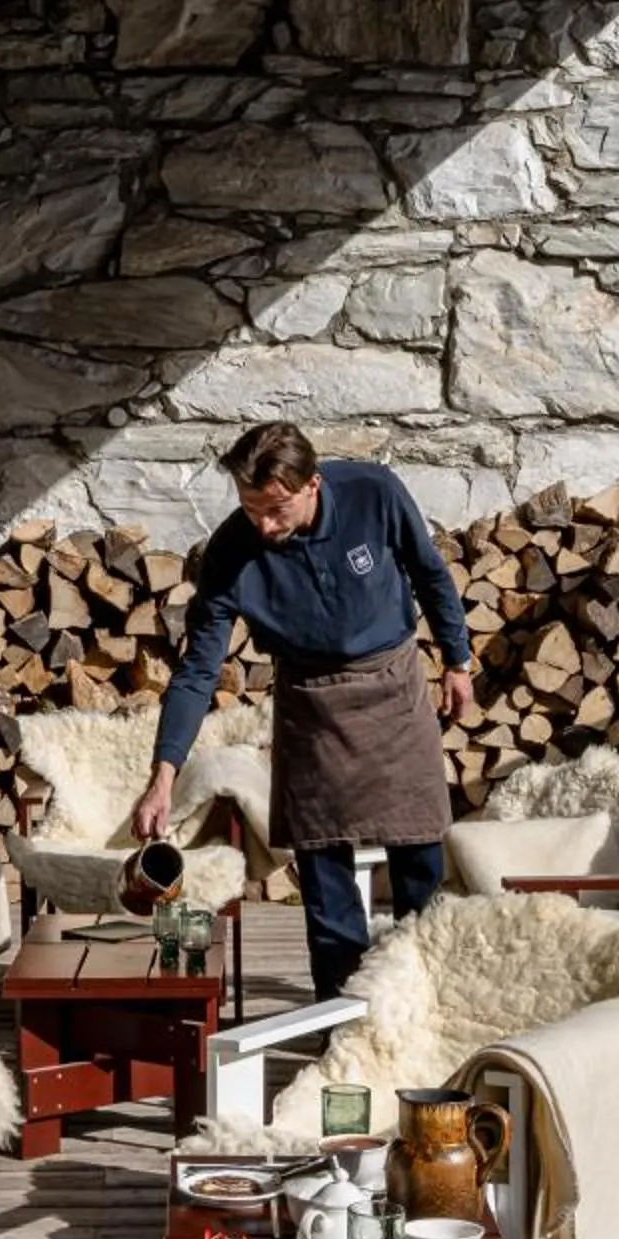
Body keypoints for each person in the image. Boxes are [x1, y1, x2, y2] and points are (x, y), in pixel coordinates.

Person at [131, 422, 477, 999]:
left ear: (312, 484)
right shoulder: (230, 553)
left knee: (420, 860)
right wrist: (162, 776)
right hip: (310, 708)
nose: (263, 525)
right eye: (250, 508)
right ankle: (340, 1018)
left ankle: (427, 1003)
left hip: (394, 687)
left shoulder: (376, 492)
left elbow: (430, 572)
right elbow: (198, 671)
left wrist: (459, 661)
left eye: (276, 509)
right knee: (325, 877)